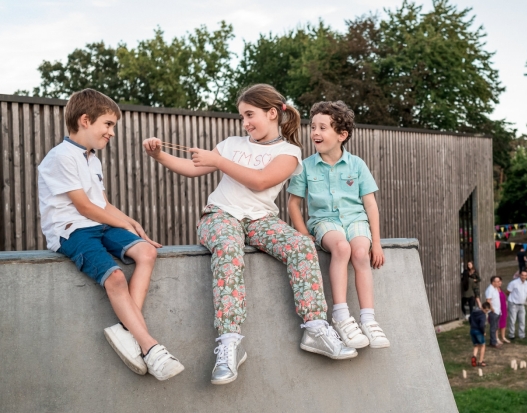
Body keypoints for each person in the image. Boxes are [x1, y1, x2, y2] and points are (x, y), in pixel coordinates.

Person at [144, 84, 357, 386]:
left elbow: (260, 182)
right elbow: (192, 169)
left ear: (272, 113)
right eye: (242, 116)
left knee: (300, 245)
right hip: (220, 214)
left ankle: (315, 327)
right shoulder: (231, 144)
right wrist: (160, 156)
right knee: (228, 247)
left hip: (261, 220)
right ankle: (230, 341)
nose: (245, 123)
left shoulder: (290, 153)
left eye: (250, 115)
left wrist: (218, 161)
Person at [38, 89, 184, 381]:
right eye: (108, 124)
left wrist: (133, 224)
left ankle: (124, 330)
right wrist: (125, 226)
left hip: (96, 223)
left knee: (146, 251)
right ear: (84, 120)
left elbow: (102, 204)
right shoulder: (61, 157)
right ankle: (150, 347)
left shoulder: (92, 159)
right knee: (115, 277)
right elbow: (83, 207)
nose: (112, 132)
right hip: (70, 230)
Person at [288, 100, 389, 349]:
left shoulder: (357, 165)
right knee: (342, 249)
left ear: (342, 135)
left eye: (323, 128)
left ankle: (368, 320)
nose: (315, 133)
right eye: (313, 127)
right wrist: (303, 234)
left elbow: (370, 205)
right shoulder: (305, 166)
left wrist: (376, 243)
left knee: (360, 253)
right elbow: (293, 204)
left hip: (356, 220)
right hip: (324, 222)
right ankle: (341, 316)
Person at [506, 270, 527, 340]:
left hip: (522, 304)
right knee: (512, 320)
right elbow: (508, 292)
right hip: (513, 304)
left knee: (522, 320)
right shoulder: (513, 283)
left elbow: (526, 293)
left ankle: (522, 335)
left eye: (525, 275)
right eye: (522, 275)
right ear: (520, 275)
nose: (523, 277)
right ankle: (511, 335)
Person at [470, 302, 491, 367]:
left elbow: (469, 319)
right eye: (486, 310)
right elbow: (481, 325)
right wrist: (483, 332)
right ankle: (480, 361)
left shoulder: (474, 312)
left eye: (487, 310)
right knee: (482, 346)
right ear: (482, 308)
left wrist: (472, 325)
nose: (486, 312)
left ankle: (474, 357)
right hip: (478, 331)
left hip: (472, 330)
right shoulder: (482, 315)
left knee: (476, 345)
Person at [484, 276, 503, 348]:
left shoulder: (495, 289)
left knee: (495, 327)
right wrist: (492, 309)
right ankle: (493, 342)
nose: (499, 283)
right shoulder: (490, 289)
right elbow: (488, 300)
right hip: (493, 312)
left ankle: (494, 340)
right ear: (493, 282)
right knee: (493, 327)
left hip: (498, 311)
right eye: (497, 282)